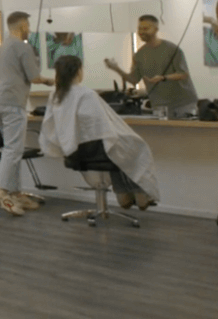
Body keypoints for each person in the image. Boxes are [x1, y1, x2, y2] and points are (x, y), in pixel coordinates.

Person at [41, 55, 160, 210]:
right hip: (93, 151)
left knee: (117, 150)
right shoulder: (86, 94)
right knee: (133, 147)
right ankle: (139, 195)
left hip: (73, 152)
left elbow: (50, 126)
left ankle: (124, 194)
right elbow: (104, 127)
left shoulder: (55, 95)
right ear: (78, 71)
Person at [0, 11, 55, 216]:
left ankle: (15, 194)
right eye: (28, 25)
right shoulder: (23, 47)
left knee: (12, 149)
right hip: (13, 104)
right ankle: (0, 193)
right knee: (13, 150)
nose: (29, 29)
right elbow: (34, 77)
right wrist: (49, 81)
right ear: (22, 26)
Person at [104, 14, 198, 118]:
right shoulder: (139, 55)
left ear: (156, 29)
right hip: (159, 105)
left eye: (146, 28)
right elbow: (133, 80)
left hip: (182, 104)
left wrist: (163, 78)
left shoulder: (172, 49)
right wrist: (116, 68)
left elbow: (183, 74)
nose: (141, 32)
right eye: (139, 28)